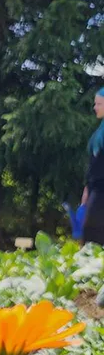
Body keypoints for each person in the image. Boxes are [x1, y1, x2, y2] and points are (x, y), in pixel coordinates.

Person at [81, 88, 104, 245]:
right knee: (89, 232)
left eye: (99, 103)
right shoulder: (99, 133)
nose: (95, 107)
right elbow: (93, 167)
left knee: (92, 231)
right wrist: (87, 191)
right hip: (95, 188)